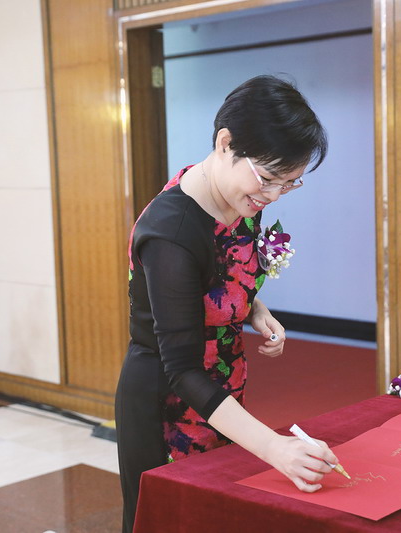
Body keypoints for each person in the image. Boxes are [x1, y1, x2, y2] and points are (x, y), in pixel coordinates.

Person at [115, 75, 339, 533]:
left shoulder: (237, 197)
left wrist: (255, 309)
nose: (272, 196)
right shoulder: (172, 232)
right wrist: (274, 447)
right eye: (269, 179)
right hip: (170, 401)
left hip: (222, 390)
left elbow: (219, 278)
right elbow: (182, 368)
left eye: (289, 184)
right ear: (225, 143)